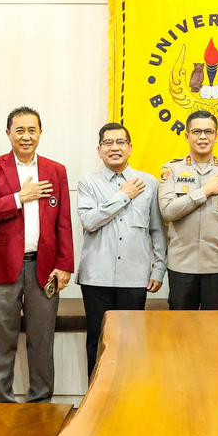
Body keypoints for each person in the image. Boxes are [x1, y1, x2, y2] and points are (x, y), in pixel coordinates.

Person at [0, 107, 74, 404]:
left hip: (43, 270)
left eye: (32, 130)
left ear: (40, 133)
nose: (26, 136)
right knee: (1, 340)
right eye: (20, 130)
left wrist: (65, 265)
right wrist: (19, 197)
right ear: (8, 134)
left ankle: (40, 402)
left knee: (42, 340)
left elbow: (63, 222)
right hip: (1, 269)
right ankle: (0, 404)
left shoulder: (56, 170)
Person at [76, 123, 166, 380]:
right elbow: (90, 221)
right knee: (97, 339)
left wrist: (158, 268)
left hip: (134, 276)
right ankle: (94, 400)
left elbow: (157, 230)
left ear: (130, 148)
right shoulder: (88, 183)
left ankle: (128, 398)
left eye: (120, 142)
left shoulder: (148, 182)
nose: (114, 147)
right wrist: (123, 196)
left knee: (132, 341)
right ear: (99, 149)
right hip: (96, 277)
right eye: (108, 143)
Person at [158, 110, 218, 310]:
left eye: (208, 132)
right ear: (187, 135)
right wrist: (206, 191)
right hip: (182, 266)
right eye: (196, 131)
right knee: (181, 334)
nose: (202, 137)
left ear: (216, 136)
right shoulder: (171, 170)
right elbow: (167, 211)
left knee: (217, 333)